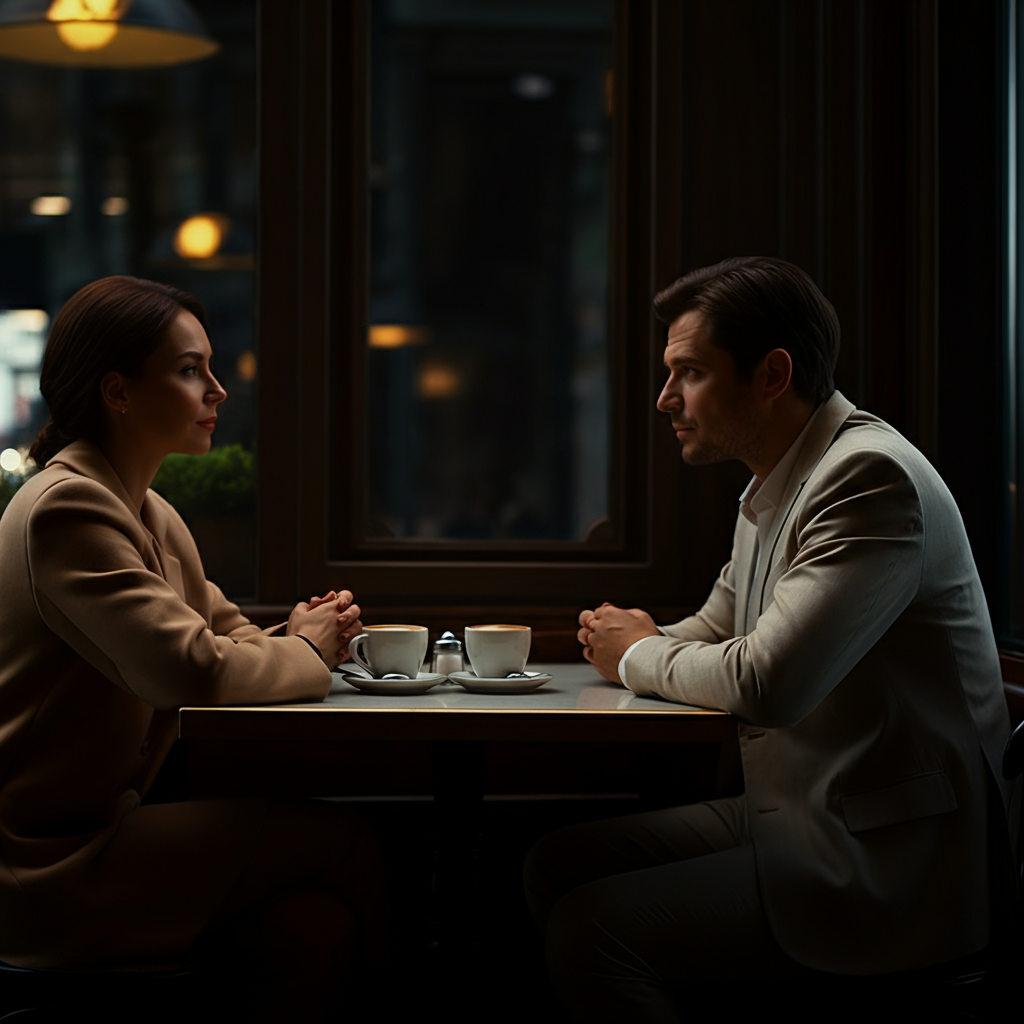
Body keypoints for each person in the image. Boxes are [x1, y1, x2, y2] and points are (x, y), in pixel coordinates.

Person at [523, 256, 1015, 1021]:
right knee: (555, 863)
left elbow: (766, 682)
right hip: (803, 811)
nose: (665, 398)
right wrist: (627, 642)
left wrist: (637, 653)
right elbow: (715, 630)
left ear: (773, 374)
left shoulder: (867, 479)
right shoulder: (777, 481)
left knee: (592, 933)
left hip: (895, 857)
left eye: (689, 372)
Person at [0, 277, 385, 1021]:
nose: (218, 390)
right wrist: (307, 652)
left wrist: (301, 634)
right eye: (189, 369)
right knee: (348, 842)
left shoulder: (147, 510)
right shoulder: (67, 510)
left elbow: (228, 635)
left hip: (99, 834)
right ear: (117, 391)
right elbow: (188, 669)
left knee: (312, 929)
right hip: (44, 863)